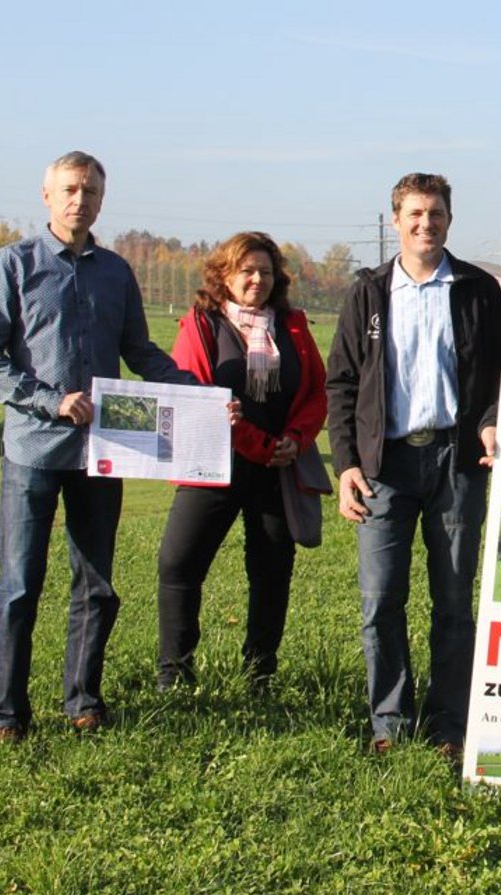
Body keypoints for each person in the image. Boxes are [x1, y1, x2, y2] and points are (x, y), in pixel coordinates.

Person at [0, 151, 198, 743]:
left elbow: (139, 352)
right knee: (20, 584)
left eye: (91, 191)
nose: (81, 200)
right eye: (70, 189)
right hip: (32, 452)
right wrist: (49, 400)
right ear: (47, 195)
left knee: (96, 584)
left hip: (101, 451)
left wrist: (199, 395)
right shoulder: (11, 266)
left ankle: (83, 699)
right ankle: (6, 714)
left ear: (101, 199)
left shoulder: (116, 272)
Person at [326, 172, 501, 756]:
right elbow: (340, 384)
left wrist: (490, 420)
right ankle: (389, 723)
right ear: (395, 222)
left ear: (449, 220)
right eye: (414, 214)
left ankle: (447, 726)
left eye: (435, 213)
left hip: (456, 463)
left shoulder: (478, 290)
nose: (425, 223)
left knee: (454, 602)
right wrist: (345, 465)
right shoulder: (368, 292)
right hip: (383, 466)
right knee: (380, 600)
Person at [156, 232, 327, 692]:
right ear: (224, 275)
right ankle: (175, 674)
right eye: (246, 270)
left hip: (278, 470)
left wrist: (296, 438)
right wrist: (258, 444)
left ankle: (259, 674)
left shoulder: (292, 324)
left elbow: (315, 391)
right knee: (179, 564)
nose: (257, 279)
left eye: (266, 272)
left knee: (272, 571)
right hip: (212, 465)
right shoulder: (201, 324)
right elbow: (196, 393)